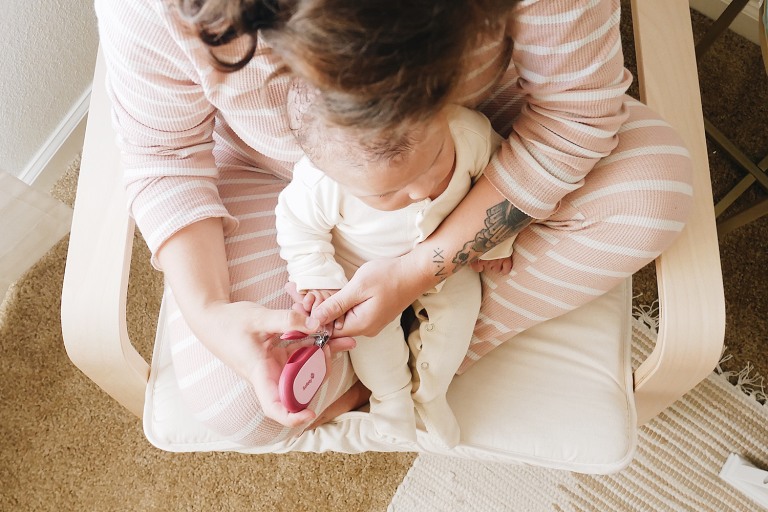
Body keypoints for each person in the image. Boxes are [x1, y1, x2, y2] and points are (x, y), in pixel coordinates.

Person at [94, 0, 693, 448]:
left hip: (475, 133)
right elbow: (165, 154)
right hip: (269, 171)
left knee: (649, 192)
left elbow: (578, 115)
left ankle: (425, 351)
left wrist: (421, 268)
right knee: (234, 405)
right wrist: (209, 313)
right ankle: (387, 357)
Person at [276, 83, 514, 446]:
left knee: (461, 312)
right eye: (387, 193)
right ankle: (390, 399)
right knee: (368, 341)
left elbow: (502, 184)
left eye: (434, 161)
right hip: (360, 277)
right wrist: (317, 278)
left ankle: (431, 392)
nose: (420, 193)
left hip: (444, 262)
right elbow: (296, 224)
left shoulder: (469, 134)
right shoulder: (321, 183)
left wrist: (496, 244)